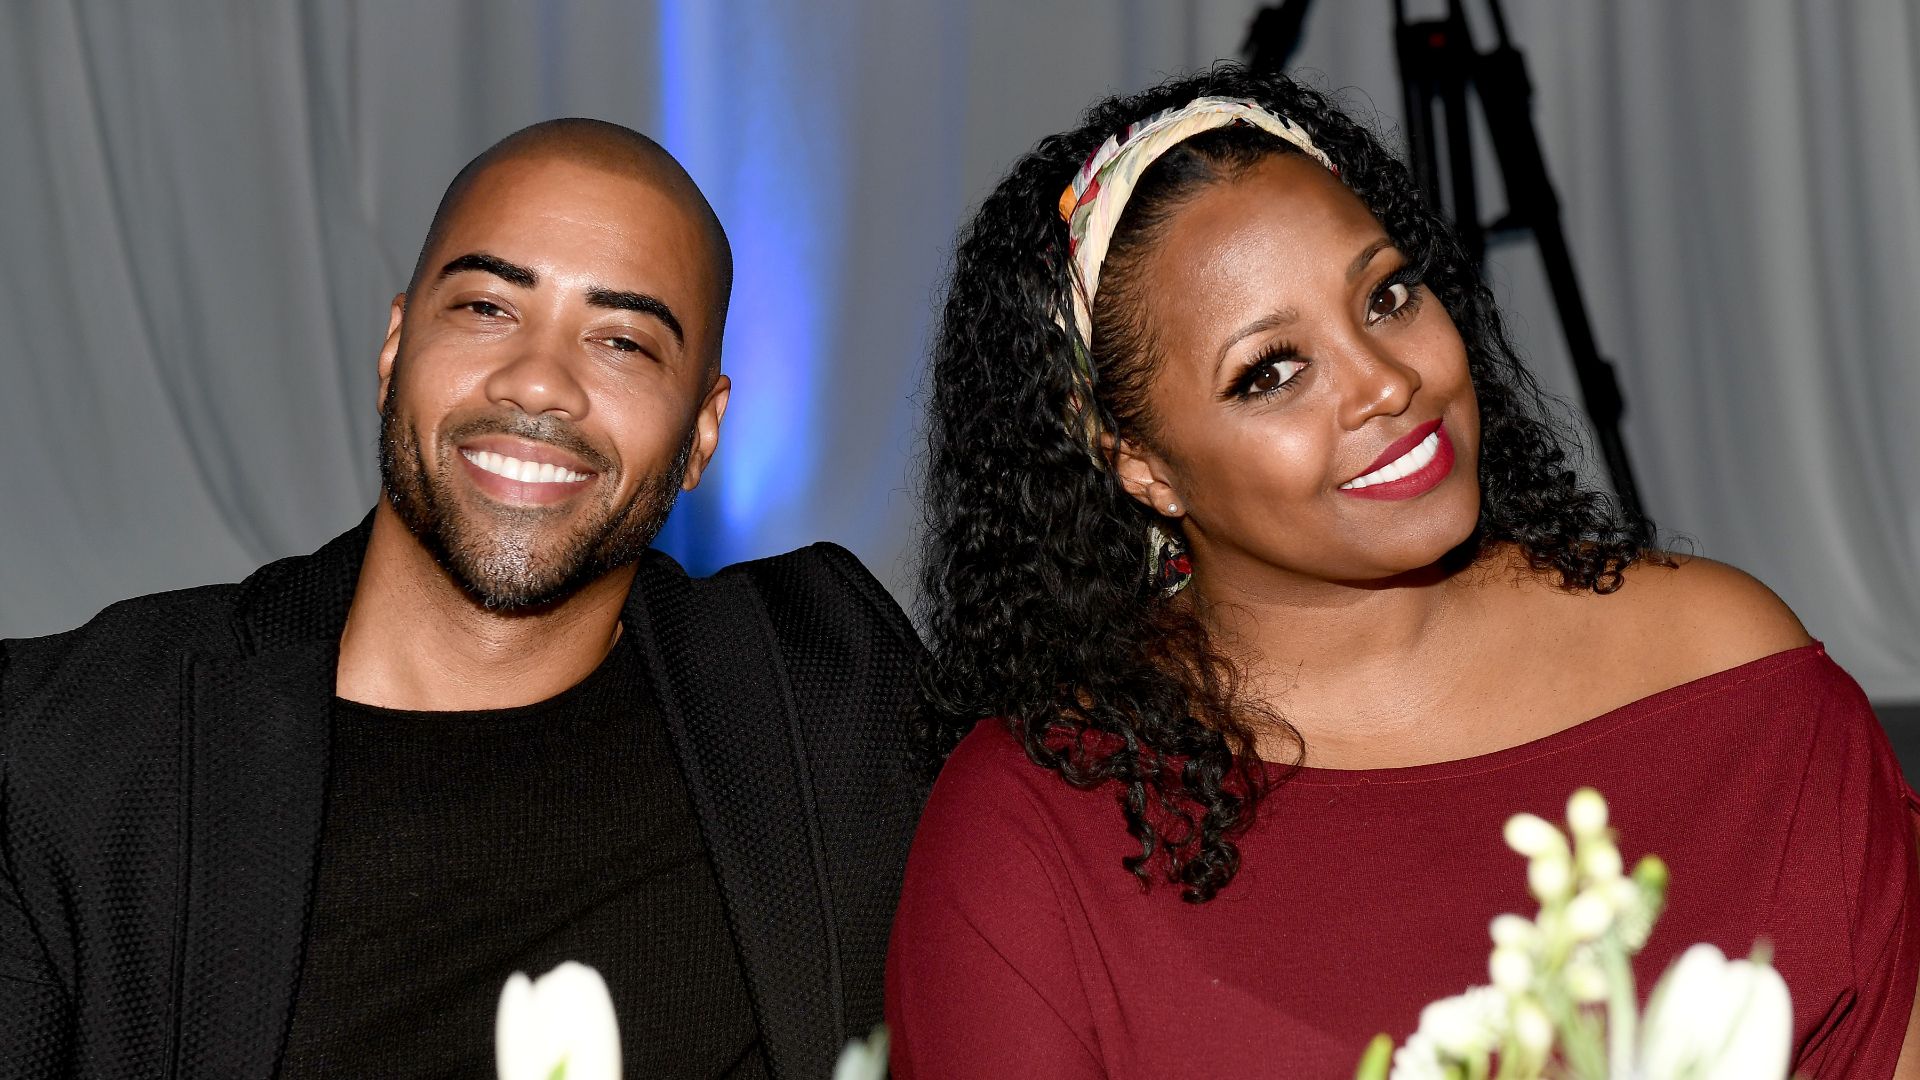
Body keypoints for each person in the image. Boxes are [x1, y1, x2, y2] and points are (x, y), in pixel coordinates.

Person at [889, 66, 1919, 1079]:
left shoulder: (1731, 679)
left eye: (1386, 296)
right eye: (1271, 371)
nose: (1388, 382)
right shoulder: (1030, 833)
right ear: (1142, 464)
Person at [0, 119, 924, 1080]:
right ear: (395, 347)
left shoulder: (830, 690)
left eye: (622, 341)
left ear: (701, 432)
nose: (540, 382)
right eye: (487, 307)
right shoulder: (74, 749)